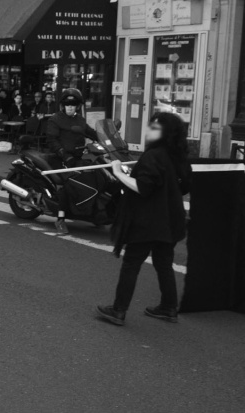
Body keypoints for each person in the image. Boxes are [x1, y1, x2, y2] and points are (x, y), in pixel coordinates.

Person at [96, 112, 191, 326]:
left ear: (166, 133)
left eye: (155, 128)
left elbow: (143, 188)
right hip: (170, 220)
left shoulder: (153, 156)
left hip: (148, 221)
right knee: (163, 263)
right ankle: (169, 307)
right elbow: (183, 186)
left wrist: (119, 172)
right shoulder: (178, 156)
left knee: (131, 263)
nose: (148, 131)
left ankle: (118, 310)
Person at [46, 88, 98, 234]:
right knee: (68, 183)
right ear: (63, 105)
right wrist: (63, 154)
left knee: (93, 174)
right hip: (59, 159)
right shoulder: (55, 119)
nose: (70, 107)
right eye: (67, 104)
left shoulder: (80, 120)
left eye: (73, 104)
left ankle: (91, 211)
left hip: (76, 158)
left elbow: (90, 132)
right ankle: (61, 219)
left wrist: (106, 139)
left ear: (77, 106)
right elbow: (52, 140)